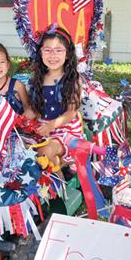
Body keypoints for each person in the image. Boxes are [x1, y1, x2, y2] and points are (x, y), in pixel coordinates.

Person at [30, 25, 83, 171]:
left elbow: (70, 113)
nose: (52, 55)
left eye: (58, 50)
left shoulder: (72, 80)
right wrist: (21, 120)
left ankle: (57, 187)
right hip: (42, 128)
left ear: (67, 54)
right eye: (47, 50)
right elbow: (35, 109)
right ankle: (58, 163)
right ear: (40, 53)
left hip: (65, 130)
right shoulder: (38, 78)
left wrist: (51, 125)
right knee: (22, 147)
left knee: (44, 152)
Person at [0, 43, 34, 126]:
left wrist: (26, 122)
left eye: (2, 62)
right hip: (0, 130)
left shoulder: (18, 85)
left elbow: (27, 107)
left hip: (19, 129)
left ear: (8, 64)